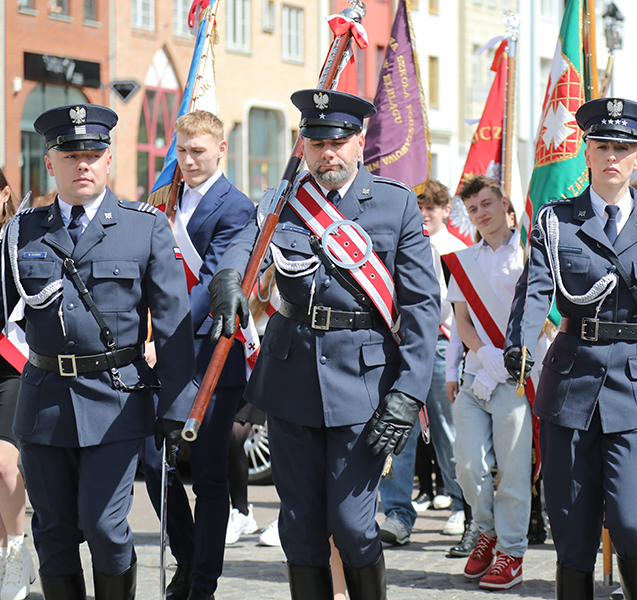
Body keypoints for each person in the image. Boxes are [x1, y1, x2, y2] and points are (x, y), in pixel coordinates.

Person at [208, 89, 440, 600]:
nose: (326, 153)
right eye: (316, 142)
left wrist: (408, 392)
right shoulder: (282, 199)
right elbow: (244, 246)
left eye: (337, 141)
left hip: (364, 386)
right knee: (300, 528)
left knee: (354, 525)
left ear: (360, 142)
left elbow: (423, 307)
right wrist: (227, 281)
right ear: (304, 145)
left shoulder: (394, 203)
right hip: (291, 382)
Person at [0, 104, 197, 600]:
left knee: (104, 527)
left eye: (93, 154)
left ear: (109, 162)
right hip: (43, 403)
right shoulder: (22, 232)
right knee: (54, 534)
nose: (83, 164)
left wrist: (175, 405)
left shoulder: (144, 227)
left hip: (116, 399)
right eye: (71, 154)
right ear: (49, 163)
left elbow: (172, 327)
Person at [504, 98, 637, 600]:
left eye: (623, 148)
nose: (612, 156)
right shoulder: (556, 221)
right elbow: (535, 291)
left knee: (633, 522)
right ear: (586, 153)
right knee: (572, 535)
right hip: (572, 383)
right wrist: (520, 345)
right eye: (602, 146)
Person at [138, 110, 254, 600]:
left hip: (211, 351)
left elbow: (212, 280)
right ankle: (186, 559)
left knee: (207, 471)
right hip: (161, 354)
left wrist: (162, 339)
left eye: (198, 151)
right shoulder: (164, 199)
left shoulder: (237, 207)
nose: (187, 161)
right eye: (181, 151)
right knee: (151, 463)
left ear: (221, 149)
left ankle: (203, 581)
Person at [442, 175, 541, 591]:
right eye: (473, 209)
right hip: (475, 375)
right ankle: (487, 531)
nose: (481, 214)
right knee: (468, 467)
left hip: (517, 379)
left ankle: (512, 552)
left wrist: (508, 363)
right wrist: (476, 361)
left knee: (514, 471)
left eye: (486, 204)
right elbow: (459, 321)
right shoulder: (465, 260)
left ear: (505, 205)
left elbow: (544, 320)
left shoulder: (531, 257)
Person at [378, 179, 466, 546]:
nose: (424, 214)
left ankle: (461, 504)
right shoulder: (398, 242)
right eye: (420, 207)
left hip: (442, 346)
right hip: (400, 344)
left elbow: (453, 307)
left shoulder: (456, 248)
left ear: (446, 210)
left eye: (431, 207)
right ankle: (398, 511)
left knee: (448, 431)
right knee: (396, 430)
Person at [0, 159, 35, 600]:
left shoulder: (22, 235)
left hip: (8, 361)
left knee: (1, 462)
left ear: (4, 193)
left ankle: (20, 556)